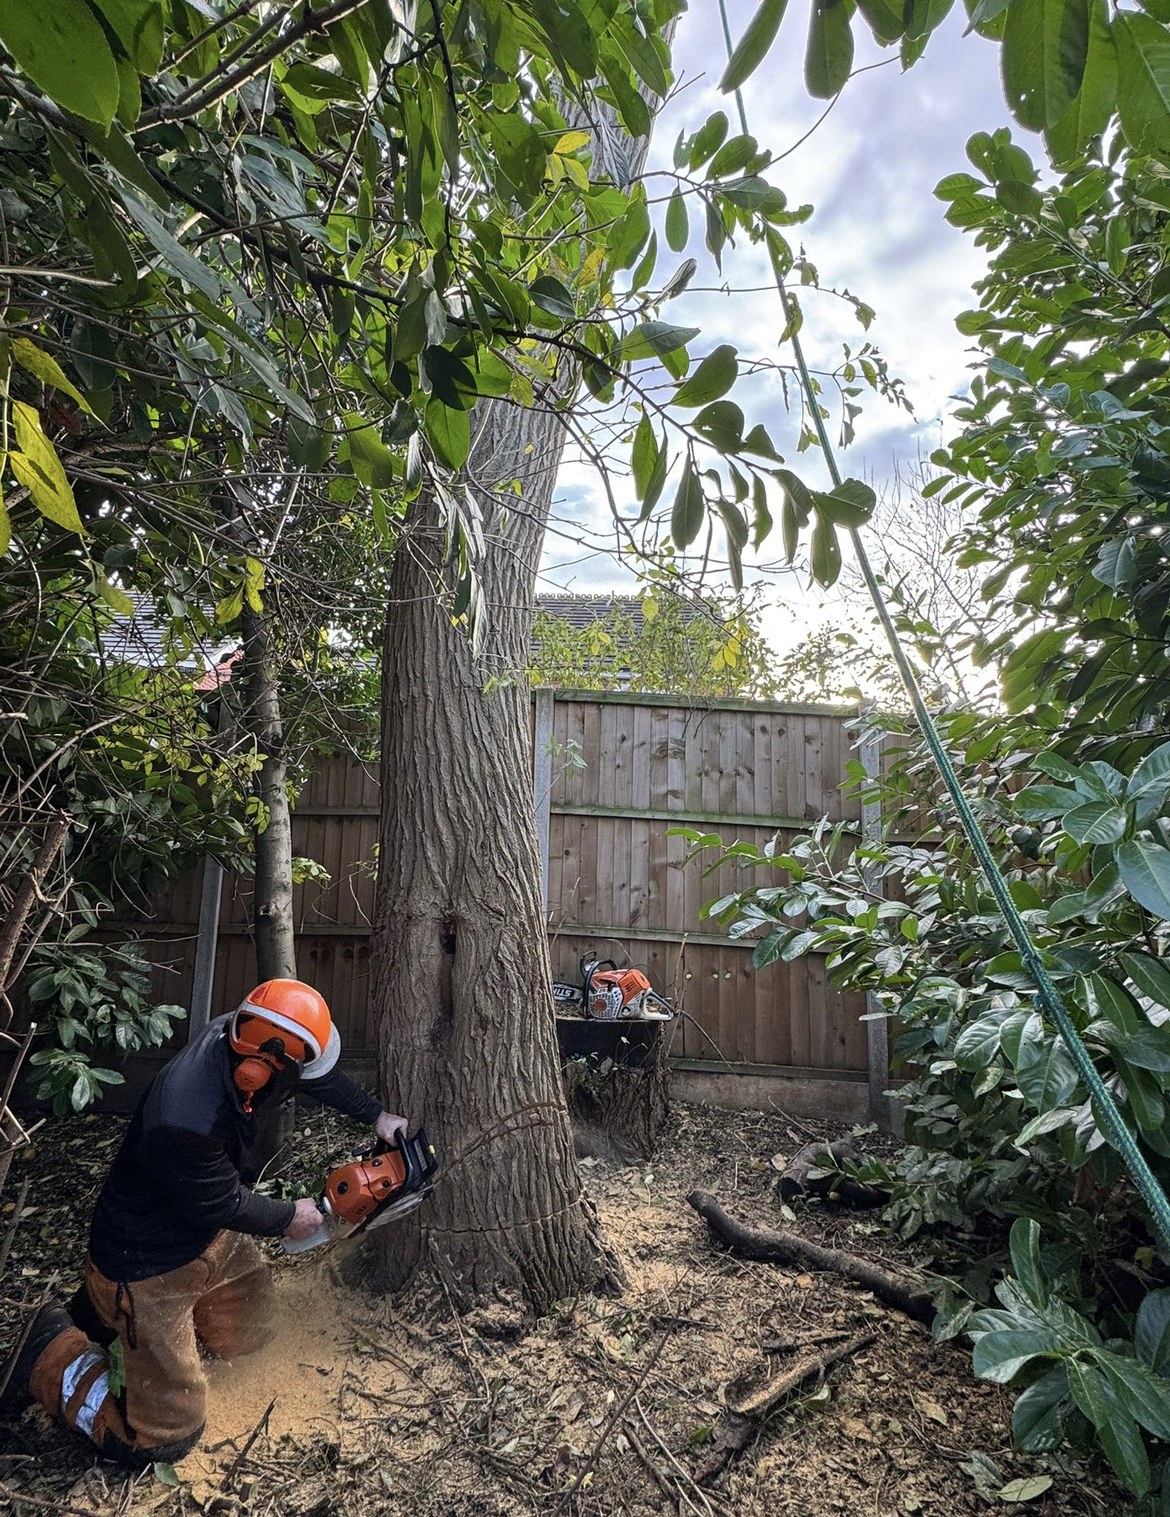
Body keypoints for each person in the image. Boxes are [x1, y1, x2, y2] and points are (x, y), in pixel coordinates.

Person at [0, 979, 407, 1468]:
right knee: (162, 1439)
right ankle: (54, 1352)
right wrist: (289, 1217)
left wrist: (375, 1116)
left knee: (251, 1340)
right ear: (262, 1067)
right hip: (147, 1263)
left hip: (209, 1236)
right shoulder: (183, 1115)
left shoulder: (241, 1040)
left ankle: (101, 1318)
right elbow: (220, 1201)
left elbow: (310, 1075)